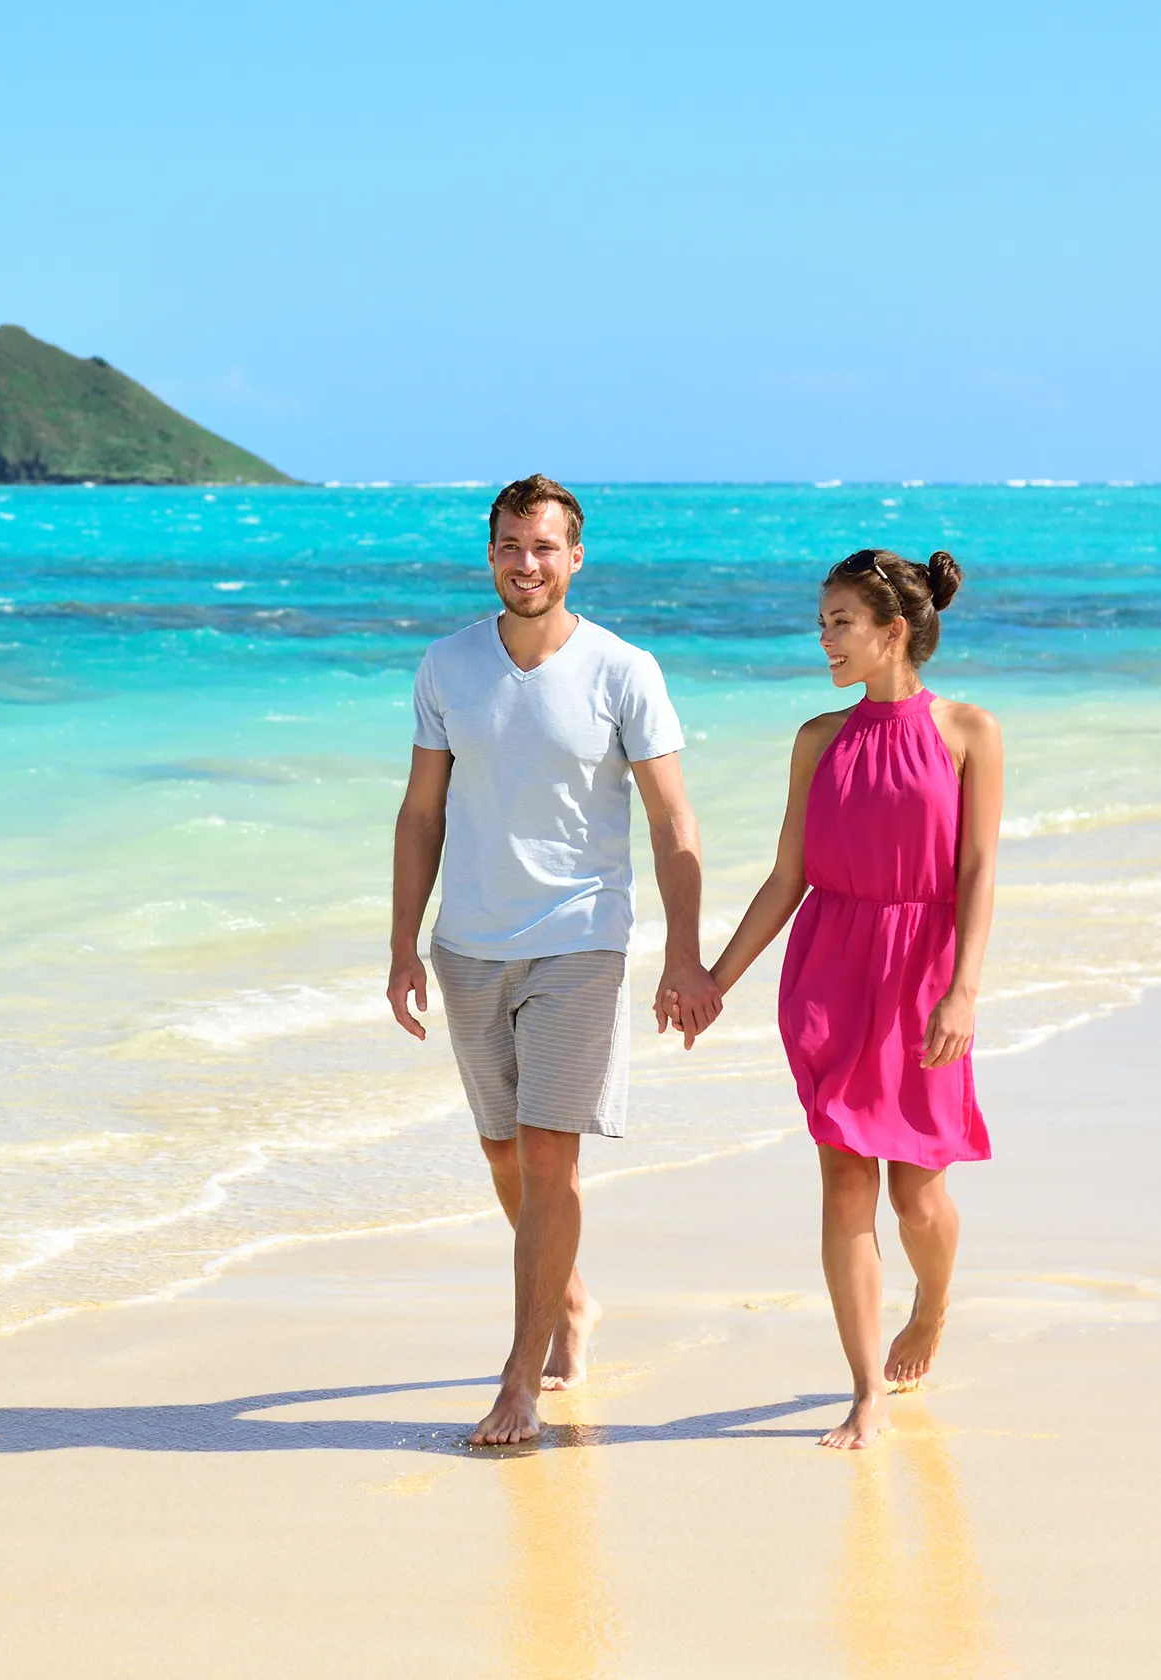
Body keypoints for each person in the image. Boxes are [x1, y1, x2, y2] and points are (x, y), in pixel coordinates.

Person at [385, 474, 717, 1449]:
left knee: (547, 1154)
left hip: (580, 941)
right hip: (468, 944)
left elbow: (672, 818)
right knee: (502, 1155)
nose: (524, 564)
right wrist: (403, 943)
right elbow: (420, 813)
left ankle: (518, 1379)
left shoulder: (625, 670)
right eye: (508, 546)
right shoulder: (447, 666)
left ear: (575, 557)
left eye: (543, 547)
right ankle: (568, 1302)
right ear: (489, 554)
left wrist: (684, 957)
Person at [704, 548, 1004, 1450]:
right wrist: (715, 980)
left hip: (923, 973)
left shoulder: (968, 732)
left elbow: (980, 869)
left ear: (893, 632)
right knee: (844, 1185)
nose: (825, 638)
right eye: (824, 621)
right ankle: (866, 1389)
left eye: (841, 623)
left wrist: (964, 992)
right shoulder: (818, 739)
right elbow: (788, 874)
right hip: (830, 972)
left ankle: (935, 1302)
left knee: (918, 1196)